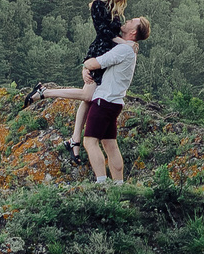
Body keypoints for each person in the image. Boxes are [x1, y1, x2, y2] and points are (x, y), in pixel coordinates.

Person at [28, 17, 147, 183]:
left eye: (132, 21)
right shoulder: (128, 50)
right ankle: (119, 185)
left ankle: (101, 182)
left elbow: (95, 63)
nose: (127, 20)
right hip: (116, 103)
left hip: (103, 102)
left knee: (90, 142)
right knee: (110, 145)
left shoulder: (123, 50)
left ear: (133, 32)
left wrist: (86, 65)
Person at [66, 0, 133, 156]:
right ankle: (75, 139)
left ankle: (75, 140)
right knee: (87, 96)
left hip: (110, 54)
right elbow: (103, 32)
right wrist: (125, 45)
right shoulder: (98, 5)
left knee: (90, 97)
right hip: (100, 52)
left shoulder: (114, 8)